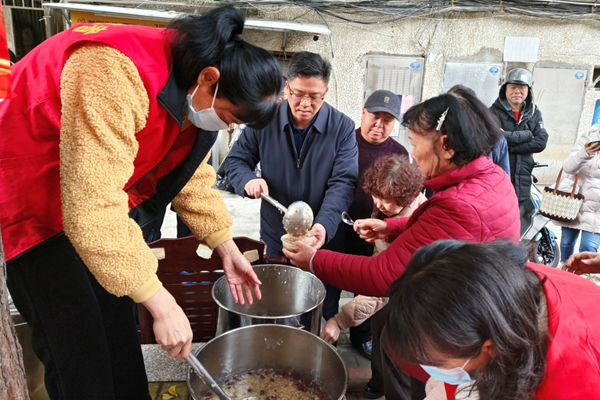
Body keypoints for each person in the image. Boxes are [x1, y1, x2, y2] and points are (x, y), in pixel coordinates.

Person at [0, 7, 282, 400]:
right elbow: (91, 207)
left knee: (119, 332)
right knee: (80, 355)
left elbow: (190, 173)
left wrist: (225, 245)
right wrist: (162, 304)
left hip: (98, 210)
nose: (230, 128)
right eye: (231, 117)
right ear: (210, 79)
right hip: (31, 208)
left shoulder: (189, 89)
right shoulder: (114, 70)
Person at [285, 85, 520, 399]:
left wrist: (313, 259)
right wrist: (389, 227)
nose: (413, 155)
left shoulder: (458, 204)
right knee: (387, 335)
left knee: (402, 359)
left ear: (446, 146)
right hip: (475, 306)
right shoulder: (491, 176)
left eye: (414, 143)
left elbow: (381, 276)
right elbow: (440, 227)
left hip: (456, 323)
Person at [387, 240, 600, 400]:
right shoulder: (504, 286)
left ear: (490, 347)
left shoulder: (578, 379)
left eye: (436, 362)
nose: (432, 369)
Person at [224, 51, 358, 257]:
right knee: (275, 286)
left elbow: (343, 183)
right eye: (298, 94)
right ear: (286, 88)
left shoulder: (342, 128)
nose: (305, 104)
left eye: (314, 96)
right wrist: (247, 179)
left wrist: (324, 226)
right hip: (275, 235)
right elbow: (235, 160)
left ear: (325, 92)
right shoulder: (264, 120)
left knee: (321, 289)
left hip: (321, 238)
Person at [320, 154, 426, 399]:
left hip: (415, 300)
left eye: (385, 201)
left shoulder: (414, 226)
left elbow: (382, 287)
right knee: (379, 327)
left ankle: (394, 389)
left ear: (407, 196)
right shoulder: (388, 208)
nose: (378, 204)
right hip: (392, 293)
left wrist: (340, 320)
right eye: (375, 197)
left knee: (400, 355)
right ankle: (379, 381)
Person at [323, 89, 409, 360]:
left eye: (387, 119)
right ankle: (327, 331)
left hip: (376, 234)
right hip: (338, 227)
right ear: (362, 113)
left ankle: (362, 335)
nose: (379, 125)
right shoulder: (344, 142)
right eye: (374, 116)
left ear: (395, 123)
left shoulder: (399, 153)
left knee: (370, 285)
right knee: (331, 280)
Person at [489, 68, 549, 235]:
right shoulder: (492, 112)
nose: (517, 91)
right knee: (497, 225)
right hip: (499, 181)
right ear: (505, 89)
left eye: (522, 87)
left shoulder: (534, 112)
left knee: (516, 227)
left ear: (528, 90)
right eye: (513, 87)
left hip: (523, 181)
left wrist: (511, 145)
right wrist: (527, 135)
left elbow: (542, 141)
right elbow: (494, 138)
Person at [552, 124, 600, 261]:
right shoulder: (588, 137)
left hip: (597, 209)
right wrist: (585, 153)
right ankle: (566, 276)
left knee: (589, 248)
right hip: (573, 203)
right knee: (566, 243)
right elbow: (568, 168)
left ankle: (583, 280)